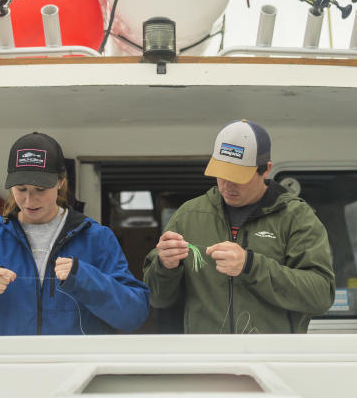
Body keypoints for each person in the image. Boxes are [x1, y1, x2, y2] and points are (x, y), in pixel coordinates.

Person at [0, 132, 150, 334]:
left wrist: (84, 278)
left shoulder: (96, 239)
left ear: (60, 182)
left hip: (74, 368)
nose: (29, 201)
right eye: (21, 189)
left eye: (40, 190)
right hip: (5, 367)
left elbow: (134, 316)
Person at [143, 120, 335, 333]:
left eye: (237, 177)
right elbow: (156, 299)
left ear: (266, 170)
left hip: (272, 358)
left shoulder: (296, 217)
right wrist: (165, 267)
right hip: (208, 359)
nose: (227, 185)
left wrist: (250, 265)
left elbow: (321, 295)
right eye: (222, 174)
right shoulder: (188, 216)